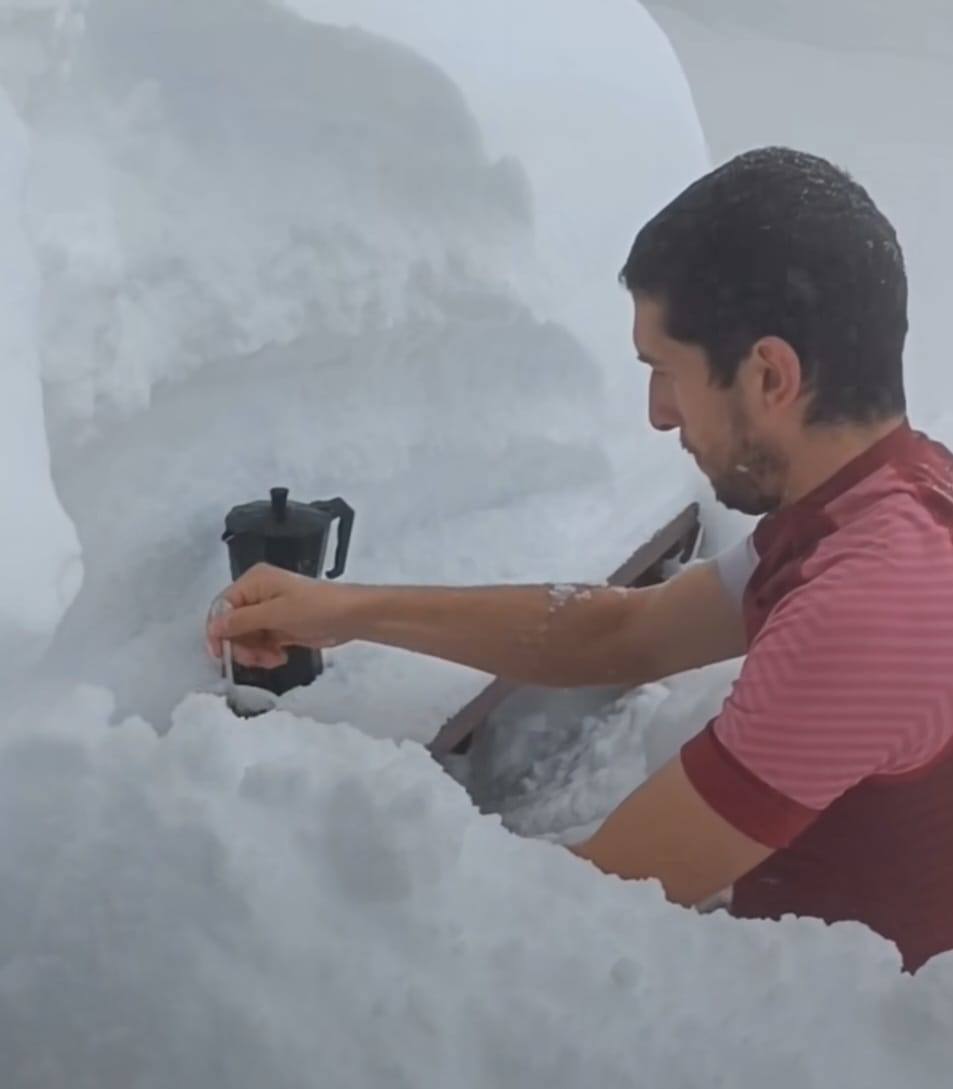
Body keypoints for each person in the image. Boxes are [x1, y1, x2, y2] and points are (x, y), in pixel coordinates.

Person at [207, 148, 953, 973]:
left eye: (665, 373)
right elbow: (621, 634)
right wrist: (343, 610)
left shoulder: (871, 607)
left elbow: (585, 911)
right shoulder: (887, 503)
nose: (656, 415)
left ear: (769, 374)